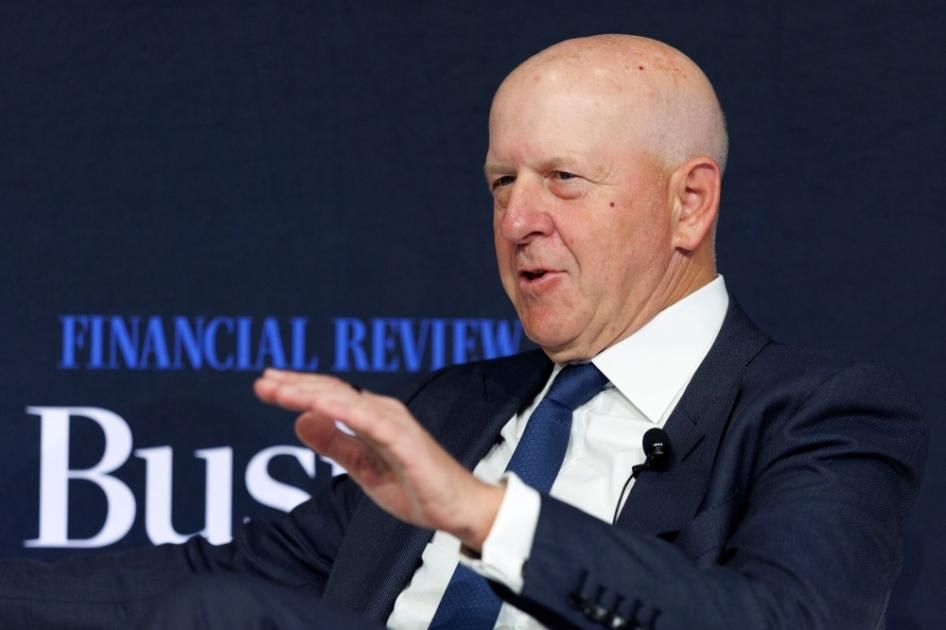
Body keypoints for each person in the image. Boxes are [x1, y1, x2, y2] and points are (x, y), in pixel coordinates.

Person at [0, 34, 927, 630]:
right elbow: (220, 577)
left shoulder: (820, 412)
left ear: (689, 203)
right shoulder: (457, 406)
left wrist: (483, 515)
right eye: (501, 183)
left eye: (563, 179)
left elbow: (791, 620)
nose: (517, 220)